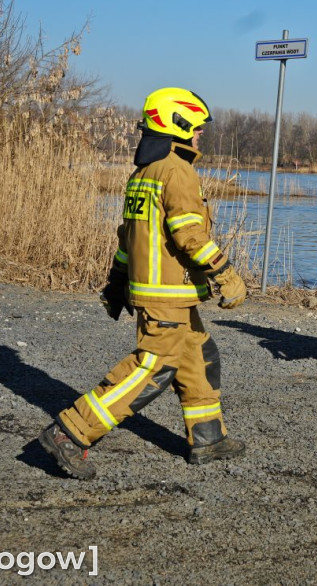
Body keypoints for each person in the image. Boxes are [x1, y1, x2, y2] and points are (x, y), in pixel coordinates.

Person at [39, 87, 248, 480]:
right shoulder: (176, 171)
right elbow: (190, 235)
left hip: (164, 293)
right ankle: (70, 432)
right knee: (152, 368)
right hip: (166, 295)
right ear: (178, 123)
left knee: (200, 358)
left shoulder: (144, 173)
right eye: (198, 126)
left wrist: (117, 285)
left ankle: (208, 438)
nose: (201, 133)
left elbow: (128, 239)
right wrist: (227, 275)